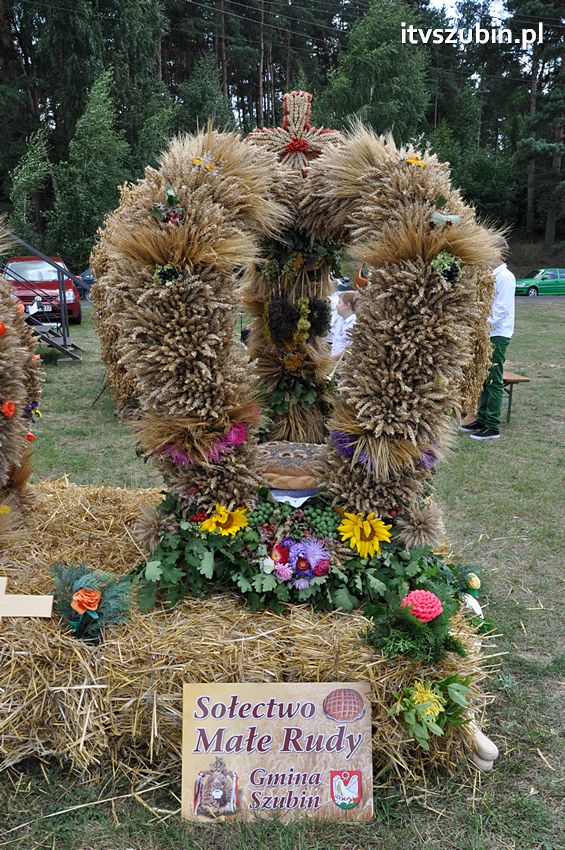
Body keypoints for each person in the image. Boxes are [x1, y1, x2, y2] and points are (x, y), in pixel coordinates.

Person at [460, 250, 515, 440]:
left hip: (497, 334)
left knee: (493, 379)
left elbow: (500, 311)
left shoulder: (505, 278)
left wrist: (481, 323)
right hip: (486, 332)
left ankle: (492, 426)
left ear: (498, 253)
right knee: (483, 377)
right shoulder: (491, 276)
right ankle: (481, 418)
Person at [331, 291, 358, 360]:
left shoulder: (354, 325)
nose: (336, 305)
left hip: (342, 364)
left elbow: (348, 351)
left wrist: (329, 359)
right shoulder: (341, 319)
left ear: (347, 305)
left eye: (339, 302)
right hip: (334, 360)